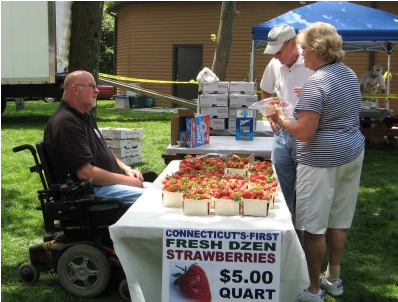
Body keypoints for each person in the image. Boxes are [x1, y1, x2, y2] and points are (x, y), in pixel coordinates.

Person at [268, 22, 365, 301]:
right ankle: (333, 278)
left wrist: (280, 118)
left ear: (317, 50)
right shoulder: (347, 73)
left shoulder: (315, 82)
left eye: (304, 47)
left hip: (321, 160)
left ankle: (313, 289)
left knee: (312, 227)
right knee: (339, 220)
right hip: (352, 153)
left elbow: (303, 131)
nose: (302, 52)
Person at [44, 70, 155, 206]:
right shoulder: (66, 122)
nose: (97, 91)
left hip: (107, 184)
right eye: (92, 86)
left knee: (165, 191)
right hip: (89, 193)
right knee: (157, 200)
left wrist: (126, 169)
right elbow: (85, 173)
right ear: (76, 90)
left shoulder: (84, 116)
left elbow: (104, 151)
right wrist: (127, 181)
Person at [260, 24, 313, 221]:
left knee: (305, 193)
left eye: (278, 51)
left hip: (306, 134)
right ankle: (284, 233)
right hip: (282, 134)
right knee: (281, 190)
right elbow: (265, 89)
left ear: (293, 44)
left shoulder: (312, 63)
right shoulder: (274, 65)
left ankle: (301, 241)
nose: (275, 56)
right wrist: (268, 112)